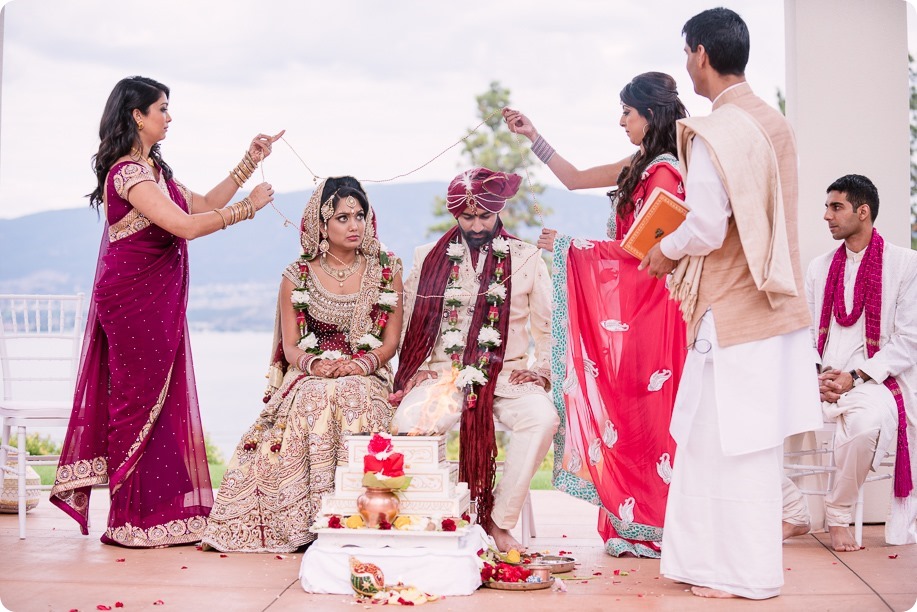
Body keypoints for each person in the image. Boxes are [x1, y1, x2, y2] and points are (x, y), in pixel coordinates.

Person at [50, 76, 282, 548]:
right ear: (137, 115)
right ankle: (130, 518)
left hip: (156, 302)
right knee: (137, 400)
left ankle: (160, 514)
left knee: (161, 396)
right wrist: (249, 209)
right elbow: (184, 226)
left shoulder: (154, 171)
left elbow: (201, 205)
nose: (169, 117)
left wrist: (249, 161)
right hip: (133, 302)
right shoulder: (127, 174)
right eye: (162, 109)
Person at [639, 9, 822, 598]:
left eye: (684, 54)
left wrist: (665, 249)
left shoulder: (717, 130)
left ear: (698, 54)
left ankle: (742, 574)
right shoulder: (774, 121)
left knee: (729, 443)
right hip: (777, 308)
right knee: (736, 440)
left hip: (735, 311)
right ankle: (709, 564)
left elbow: (710, 227)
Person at [502, 73, 688, 557]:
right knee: (628, 412)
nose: (621, 119)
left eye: (628, 111)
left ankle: (656, 523)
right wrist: (532, 135)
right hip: (632, 312)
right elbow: (575, 178)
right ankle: (632, 522)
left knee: (648, 414)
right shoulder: (641, 164)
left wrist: (568, 246)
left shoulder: (666, 173)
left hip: (654, 310)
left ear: (651, 114)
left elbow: (646, 253)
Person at [201, 176, 404, 553]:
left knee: (353, 395)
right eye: (343, 217)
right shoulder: (298, 275)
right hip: (310, 371)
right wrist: (314, 365)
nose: (355, 225)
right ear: (321, 224)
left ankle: (359, 515)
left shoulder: (386, 268)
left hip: (368, 370)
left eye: (360, 215)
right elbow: (291, 346)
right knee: (314, 398)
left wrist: (362, 364)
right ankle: (307, 522)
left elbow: (390, 341)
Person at [390, 167, 558, 553]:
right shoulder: (428, 257)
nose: (477, 225)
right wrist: (415, 368)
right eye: (468, 217)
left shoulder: (527, 257)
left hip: (508, 375)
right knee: (409, 422)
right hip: (444, 377)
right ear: (456, 215)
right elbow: (410, 322)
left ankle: (499, 521)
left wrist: (541, 371)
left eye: (485, 215)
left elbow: (547, 327)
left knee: (542, 418)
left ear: (499, 211)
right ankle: (438, 515)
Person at [783, 175, 917, 551]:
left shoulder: (906, 265)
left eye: (835, 207)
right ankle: (793, 511)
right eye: (827, 207)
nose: (826, 215)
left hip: (874, 382)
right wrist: (816, 374)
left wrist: (855, 377)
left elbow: (909, 341)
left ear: (863, 211)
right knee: (752, 419)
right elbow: (804, 334)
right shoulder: (819, 267)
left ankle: (838, 515)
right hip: (820, 379)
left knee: (864, 426)